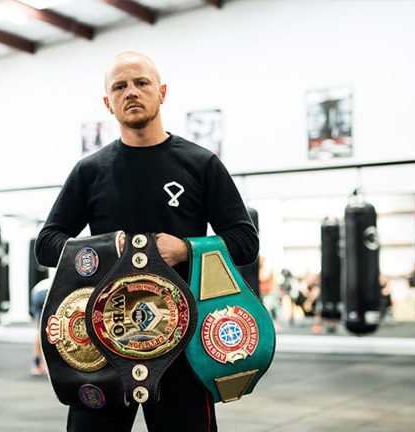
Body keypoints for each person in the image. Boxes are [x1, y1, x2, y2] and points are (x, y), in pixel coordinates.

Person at [35, 51, 258, 432]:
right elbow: (47, 242)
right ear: (108, 102)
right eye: (119, 87)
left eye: (141, 83)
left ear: (162, 92)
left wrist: (186, 248)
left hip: (182, 344)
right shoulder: (90, 171)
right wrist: (104, 250)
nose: (131, 92)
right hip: (103, 342)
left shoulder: (201, 163)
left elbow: (244, 241)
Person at [30, 278, 50, 376]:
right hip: (48, 291)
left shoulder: (41, 283)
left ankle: (36, 364)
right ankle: (52, 365)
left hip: (37, 293)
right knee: (55, 328)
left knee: (38, 330)